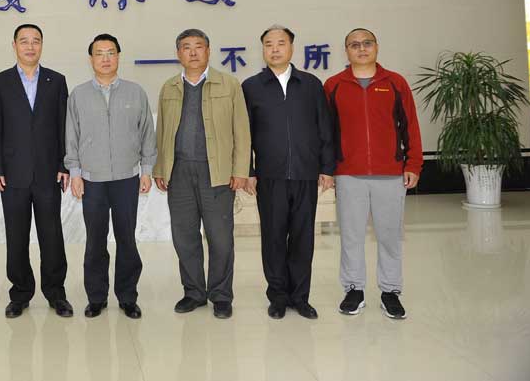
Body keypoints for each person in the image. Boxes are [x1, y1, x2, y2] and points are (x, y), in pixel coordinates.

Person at [324, 28, 423, 320]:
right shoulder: (333, 85)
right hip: (348, 174)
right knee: (351, 236)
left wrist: (413, 164)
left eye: (367, 43)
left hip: (390, 173)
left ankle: (390, 291)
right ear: (346, 51)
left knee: (389, 236)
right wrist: (327, 169)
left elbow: (411, 126)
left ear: (376, 47)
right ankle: (354, 289)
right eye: (354, 45)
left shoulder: (395, 82)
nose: (361, 48)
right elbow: (326, 133)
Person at [153, 29, 250, 320]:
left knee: (220, 238)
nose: (193, 52)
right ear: (178, 54)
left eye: (199, 46)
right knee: (185, 237)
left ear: (208, 51)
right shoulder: (169, 87)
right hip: (179, 172)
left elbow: (242, 131)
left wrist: (240, 170)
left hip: (217, 172)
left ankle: (221, 295)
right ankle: (193, 292)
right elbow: (162, 133)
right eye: (186, 47)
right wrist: (161, 168)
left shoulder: (229, 84)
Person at [242, 25, 335, 320]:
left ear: (292, 48)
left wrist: (327, 167)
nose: (275, 49)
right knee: (272, 238)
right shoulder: (252, 87)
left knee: (303, 238)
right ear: (262, 50)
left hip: (306, 174)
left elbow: (324, 127)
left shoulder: (311, 84)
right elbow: (244, 134)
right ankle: (278, 297)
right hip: (270, 176)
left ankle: (300, 297)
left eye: (281, 43)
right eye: (268, 44)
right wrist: (248, 170)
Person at [65, 33, 155, 319]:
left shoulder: (135, 92)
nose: (105, 58)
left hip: (127, 179)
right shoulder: (78, 94)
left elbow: (147, 134)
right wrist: (75, 173)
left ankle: (128, 297)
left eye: (111, 53)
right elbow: (71, 136)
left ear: (118, 56)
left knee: (127, 239)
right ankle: (96, 297)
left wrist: (147, 170)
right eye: (99, 53)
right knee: (95, 241)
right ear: (91, 59)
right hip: (92, 180)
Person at [0, 24, 73, 319]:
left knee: (52, 236)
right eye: (24, 41)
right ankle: (20, 293)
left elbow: (63, 126)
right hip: (12, 174)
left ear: (42, 45)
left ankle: (56, 293)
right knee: (16, 237)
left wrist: (64, 164)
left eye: (36, 41)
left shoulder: (56, 81)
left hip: (49, 173)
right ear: (14, 45)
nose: (30, 46)